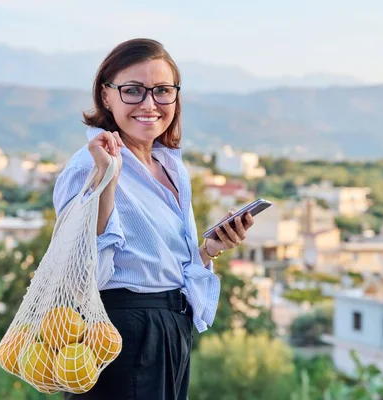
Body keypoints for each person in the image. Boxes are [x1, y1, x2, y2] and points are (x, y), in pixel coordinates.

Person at [53, 38, 254, 400]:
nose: (149, 104)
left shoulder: (171, 165)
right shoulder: (88, 165)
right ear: (106, 95)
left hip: (170, 330)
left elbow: (157, 264)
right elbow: (82, 273)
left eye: (162, 91)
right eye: (133, 91)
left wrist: (208, 250)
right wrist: (106, 182)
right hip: (121, 333)